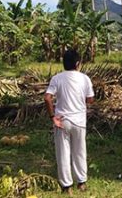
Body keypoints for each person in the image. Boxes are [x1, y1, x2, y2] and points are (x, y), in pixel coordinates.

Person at [44, 49, 94, 195]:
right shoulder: (85, 79)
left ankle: (67, 186)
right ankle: (81, 182)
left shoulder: (57, 78)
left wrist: (52, 116)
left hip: (62, 121)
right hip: (79, 121)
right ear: (78, 63)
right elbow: (90, 99)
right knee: (80, 151)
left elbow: (47, 98)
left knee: (63, 153)